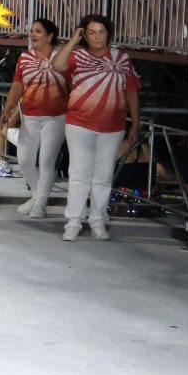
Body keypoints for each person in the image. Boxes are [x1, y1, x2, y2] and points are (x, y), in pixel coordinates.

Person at [52, 14, 140, 242]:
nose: (97, 36)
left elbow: (131, 91)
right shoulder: (77, 56)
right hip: (79, 123)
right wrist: (74, 39)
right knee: (79, 174)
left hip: (112, 126)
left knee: (103, 176)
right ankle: (73, 221)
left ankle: (98, 221)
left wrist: (136, 122)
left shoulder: (122, 58)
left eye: (101, 31)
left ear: (108, 33)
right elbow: (57, 65)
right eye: (91, 32)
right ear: (85, 35)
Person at [0, 18, 67, 218]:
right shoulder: (24, 58)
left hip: (56, 117)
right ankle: (38, 197)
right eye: (31, 31)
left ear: (50, 36)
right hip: (30, 115)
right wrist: (7, 109)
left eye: (38, 31)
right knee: (25, 160)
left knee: (47, 160)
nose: (32, 35)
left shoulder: (62, 58)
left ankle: (40, 204)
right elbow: (18, 86)